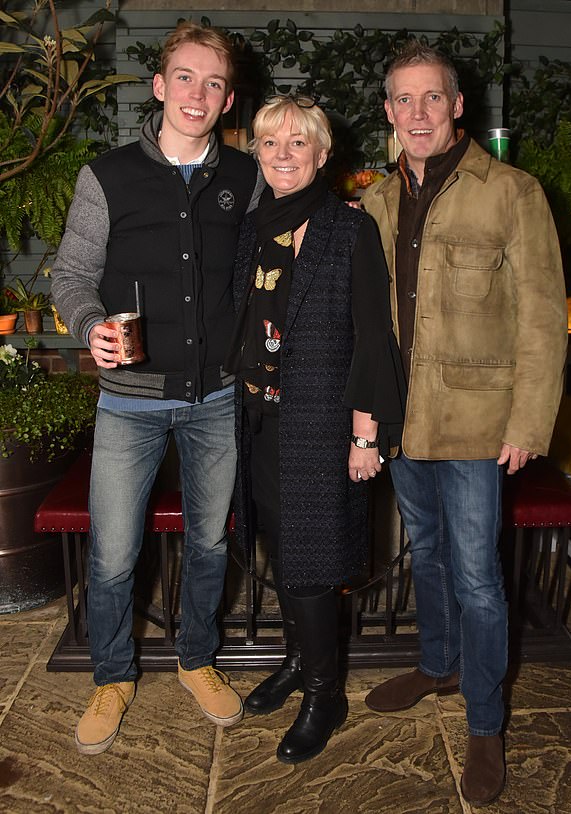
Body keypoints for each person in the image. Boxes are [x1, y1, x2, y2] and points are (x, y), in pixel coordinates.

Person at [361, 41, 567, 806]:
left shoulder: (512, 191)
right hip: (407, 423)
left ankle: (486, 720)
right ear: (388, 113)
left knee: (480, 577)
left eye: (431, 99)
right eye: (402, 101)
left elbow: (545, 318)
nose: (417, 114)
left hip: (483, 424)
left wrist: (528, 422)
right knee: (430, 554)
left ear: (456, 107)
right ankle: (438, 662)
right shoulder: (379, 201)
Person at [52, 22, 260, 755]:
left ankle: (197, 658)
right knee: (113, 551)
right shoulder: (106, 175)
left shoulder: (246, 176)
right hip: (130, 401)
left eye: (212, 82)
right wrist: (89, 327)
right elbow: (71, 277)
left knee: (207, 542)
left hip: (217, 398)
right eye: (185, 77)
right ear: (159, 84)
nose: (196, 93)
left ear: (227, 97)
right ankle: (113, 675)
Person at [225, 95, 405, 764]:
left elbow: (371, 334)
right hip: (258, 419)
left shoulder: (347, 230)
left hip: (324, 424)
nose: (283, 155)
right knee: (279, 548)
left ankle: (325, 692)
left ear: (324, 156)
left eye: (298, 144)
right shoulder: (253, 228)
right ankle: (301, 661)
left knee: (313, 564)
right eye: (272, 143)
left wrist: (366, 435)